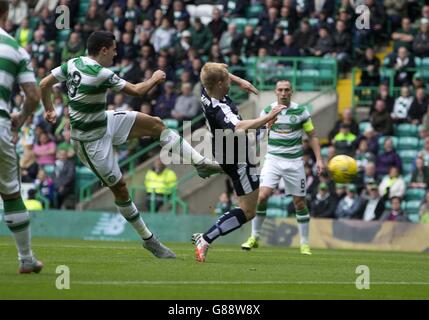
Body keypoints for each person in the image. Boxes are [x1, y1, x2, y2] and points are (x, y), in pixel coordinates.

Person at [40, 31, 220, 259]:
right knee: (121, 190)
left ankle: (200, 162)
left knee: (156, 124)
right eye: (113, 49)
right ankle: (149, 240)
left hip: (103, 120)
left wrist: (48, 109)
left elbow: (44, 83)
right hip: (90, 142)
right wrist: (155, 77)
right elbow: (138, 90)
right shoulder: (100, 73)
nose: (116, 53)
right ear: (104, 50)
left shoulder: (73, 63)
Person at [191, 62, 284, 262]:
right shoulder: (220, 109)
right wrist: (268, 116)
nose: (228, 81)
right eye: (226, 80)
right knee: (248, 211)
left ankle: (211, 167)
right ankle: (206, 239)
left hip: (225, 150)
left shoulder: (206, 91)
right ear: (219, 84)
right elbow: (240, 126)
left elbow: (211, 70)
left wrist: (239, 80)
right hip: (238, 157)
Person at [241, 80, 324, 255]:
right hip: (273, 160)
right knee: (261, 196)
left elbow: (312, 136)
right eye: (280, 90)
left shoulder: (301, 111)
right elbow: (257, 137)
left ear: (291, 92)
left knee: (299, 202)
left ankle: (304, 243)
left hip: (294, 162)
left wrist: (319, 160)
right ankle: (254, 236)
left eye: (287, 90)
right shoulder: (268, 111)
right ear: (275, 92)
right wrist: (265, 127)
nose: (284, 93)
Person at [0, 0, 43, 273]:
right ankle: (26, 259)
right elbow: (34, 95)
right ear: (6, 13)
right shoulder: (15, 48)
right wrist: (22, 117)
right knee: (11, 192)